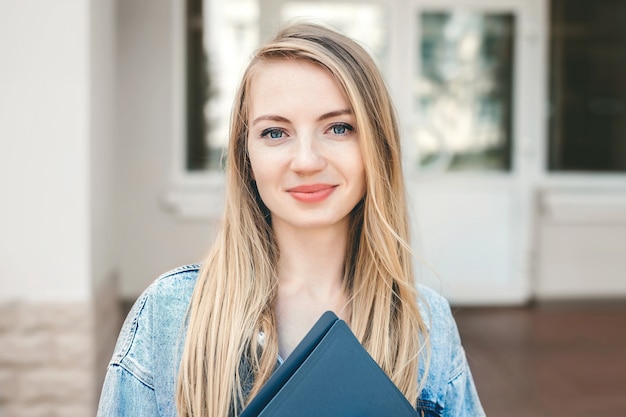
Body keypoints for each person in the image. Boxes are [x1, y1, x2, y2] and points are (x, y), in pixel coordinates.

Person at [97, 23, 485, 417]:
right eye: (275, 133)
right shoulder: (170, 314)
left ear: (377, 146)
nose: (306, 161)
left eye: (338, 128)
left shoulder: (425, 325)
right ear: (245, 156)